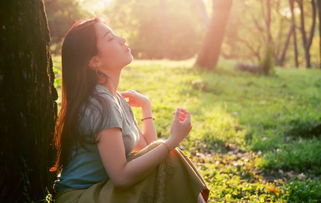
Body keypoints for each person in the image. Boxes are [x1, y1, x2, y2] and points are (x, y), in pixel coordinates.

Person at [50, 17, 209, 203]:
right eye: (110, 39)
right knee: (167, 153)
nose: (122, 39)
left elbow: (147, 151)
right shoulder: (100, 103)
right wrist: (172, 141)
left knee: (165, 155)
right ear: (95, 61)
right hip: (81, 197)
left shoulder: (115, 98)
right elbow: (121, 177)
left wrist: (146, 108)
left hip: (102, 191)